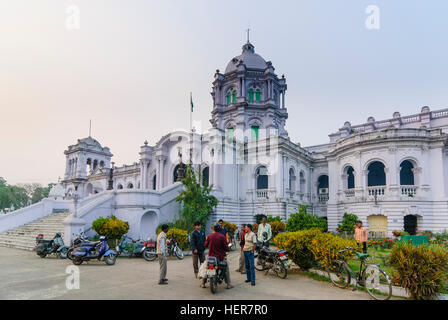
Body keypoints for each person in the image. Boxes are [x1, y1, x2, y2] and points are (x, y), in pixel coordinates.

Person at [201, 224, 233, 289]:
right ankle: (228, 284)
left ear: (213, 229)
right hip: (220, 257)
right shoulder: (222, 237)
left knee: (206, 268)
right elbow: (226, 248)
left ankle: (203, 283)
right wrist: (227, 249)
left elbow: (205, 245)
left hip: (211, 257)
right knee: (226, 268)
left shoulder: (209, 236)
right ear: (220, 229)